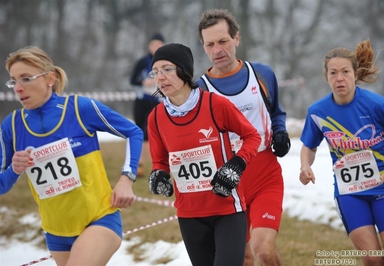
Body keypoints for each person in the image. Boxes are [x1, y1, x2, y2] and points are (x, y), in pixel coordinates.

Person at [0, 46, 143, 266]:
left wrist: (126, 178)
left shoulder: (79, 108)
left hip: (99, 219)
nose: (17, 88)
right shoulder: (12, 125)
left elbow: (133, 131)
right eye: (13, 81)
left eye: (26, 79)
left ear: (50, 78)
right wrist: (15, 169)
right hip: (56, 232)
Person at [147, 43, 261, 266]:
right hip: (189, 215)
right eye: (155, 71)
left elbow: (252, 136)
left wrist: (236, 165)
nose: (160, 77)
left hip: (227, 209)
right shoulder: (156, 117)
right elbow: (159, 161)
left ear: (184, 71)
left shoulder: (215, 104)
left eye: (167, 69)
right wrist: (158, 175)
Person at [196, 9, 290, 266]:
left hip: (264, 174)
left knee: (263, 250)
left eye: (223, 41)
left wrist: (280, 134)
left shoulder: (262, 74)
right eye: (210, 44)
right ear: (204, 48)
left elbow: (276, 113)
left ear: (236, 39)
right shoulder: (200, 89)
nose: (217, 50)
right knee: (243, 258)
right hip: (228, 181)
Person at [299, 39, 384, 266]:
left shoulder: (379, 105)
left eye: (345, 72)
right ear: (326, 77)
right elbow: (309, 145)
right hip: (349, 192)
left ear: (356, 74)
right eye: (333, 73)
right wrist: (306, 165)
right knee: (372, 260)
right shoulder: (317, 112)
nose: (339, 78)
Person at [130, 32, 165, 176]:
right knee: (137, 130)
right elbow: (132, 80)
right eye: (153, 45)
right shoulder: (143, 62)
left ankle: (141, 164)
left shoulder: (166, 63)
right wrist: (144, 82)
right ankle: (133, 162)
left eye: (159, 45)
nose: (155, 47)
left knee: (147, 132)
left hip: (155, 101)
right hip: (141, 100)